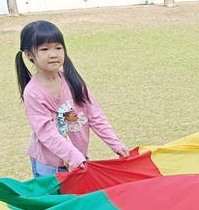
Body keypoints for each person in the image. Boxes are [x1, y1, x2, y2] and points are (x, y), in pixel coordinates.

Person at [16, 20, 128, 178]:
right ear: (29, 55)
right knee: (56, 196)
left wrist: (115, 144)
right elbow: (47, 133)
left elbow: (95, 116)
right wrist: (74, 157)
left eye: (58, 47)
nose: (53, 54)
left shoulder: (73, 81)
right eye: (45, 49)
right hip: (50, 166)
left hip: (78, 159)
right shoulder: (33, 93)